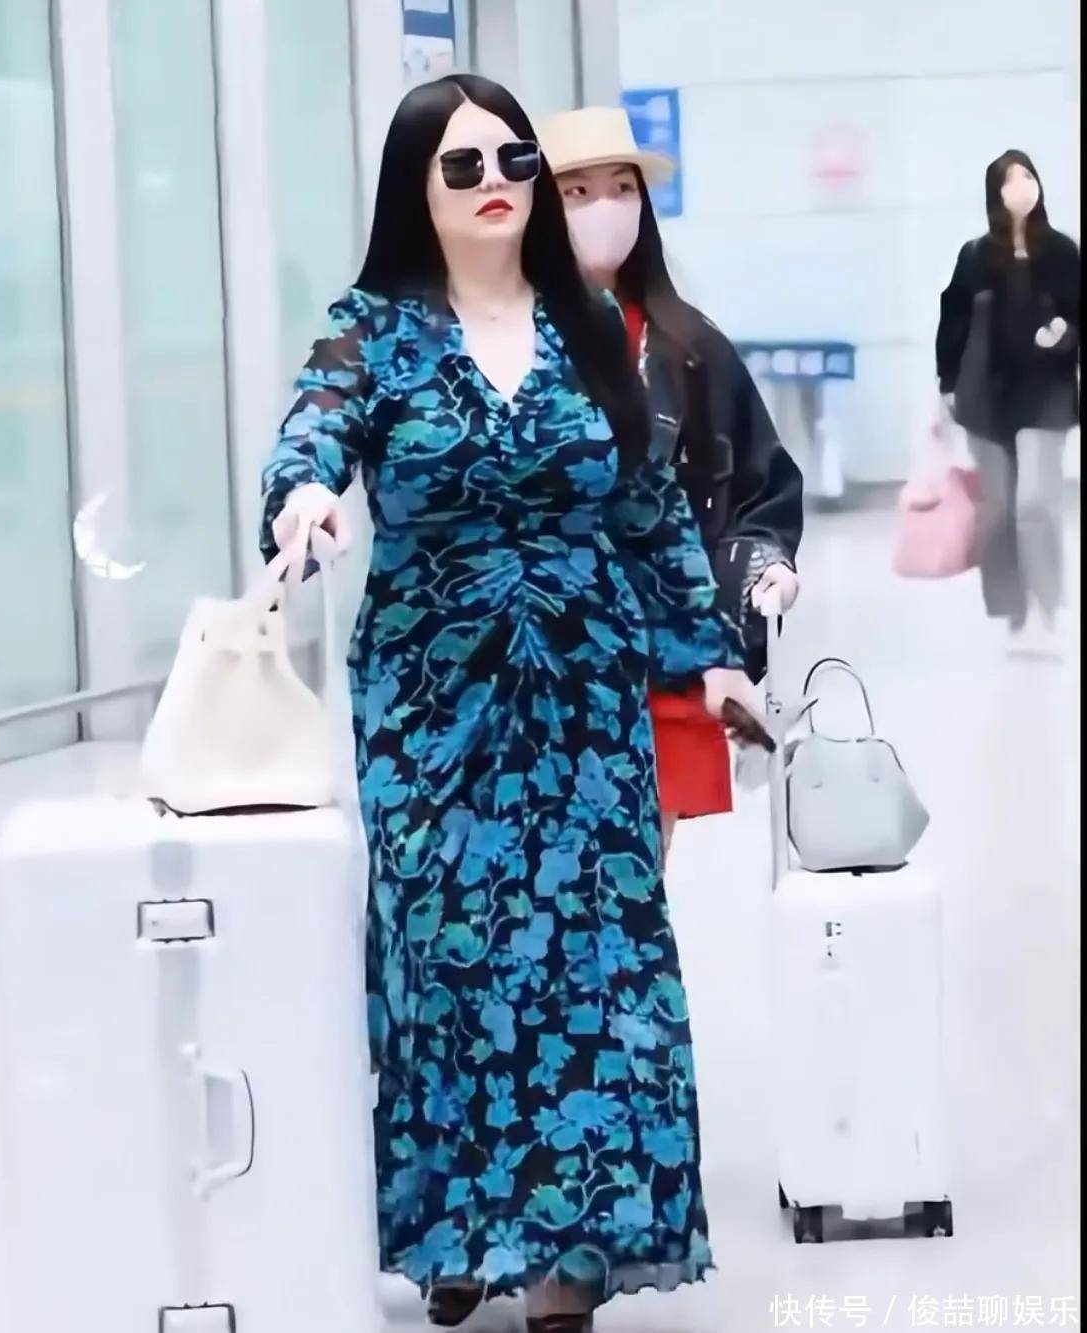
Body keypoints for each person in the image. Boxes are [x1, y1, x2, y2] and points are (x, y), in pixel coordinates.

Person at [260, 75, 762, 1332]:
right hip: (432, 699)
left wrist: (708, 659)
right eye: (463, 164)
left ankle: (567, 1262)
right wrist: (304, 498)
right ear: (415, 189)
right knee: (447, 961)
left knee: (595, 963)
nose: (496, 183)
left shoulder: (587, 325)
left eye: (514, 161)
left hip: (585, 701)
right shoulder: (371, 331)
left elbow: (647, 511)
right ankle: (459, 1230)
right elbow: (311, 433)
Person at [537, 107, 804, 857]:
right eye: (578, 192)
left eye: (622, 188)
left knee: (633, 880)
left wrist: (764, 565)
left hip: (666, 653)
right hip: (542, 652)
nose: (605, 208)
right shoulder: (506, 340)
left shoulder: (688, 347)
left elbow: (760, 480)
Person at [936, 149, 1080, 656]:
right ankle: (1014, 612)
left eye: (1028, 176)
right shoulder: (975, 256)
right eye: (1010, 179)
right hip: (986, 399)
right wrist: (946, 384)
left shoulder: (1061, 252)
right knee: (998, 512)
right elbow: (952, 321)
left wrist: (1064, 333)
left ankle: (1046, 609)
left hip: (1046, 393)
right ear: (994, 193)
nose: (1022, 187)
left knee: (1035, 505)